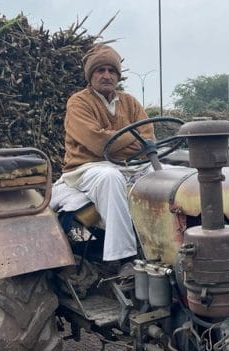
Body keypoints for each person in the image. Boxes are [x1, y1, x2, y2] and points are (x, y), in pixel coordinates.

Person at [51, 44, 155, 266]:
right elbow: (97, 143)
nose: (106, 75)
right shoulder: (78, 102)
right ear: (91, 75)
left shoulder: (130, 102)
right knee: (109, 178)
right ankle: (123, 258)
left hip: (129, 166)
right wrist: (130, 140)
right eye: (100, 70)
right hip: (87, 168)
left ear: (117, 75)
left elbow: (148, 139)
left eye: (111, 71)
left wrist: (119, 141)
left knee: (177, 176)